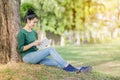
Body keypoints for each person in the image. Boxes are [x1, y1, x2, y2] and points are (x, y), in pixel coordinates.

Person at [17, 9, 92, 73]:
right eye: (34, 22)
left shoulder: (33, 32)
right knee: (51, 49)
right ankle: (68, 68)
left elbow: (35, 48)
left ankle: (78, 69)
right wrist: (33, 43)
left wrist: (40, 45)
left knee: (57, 62)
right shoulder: (22, 32)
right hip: (28, 57)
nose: (35, 24)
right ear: (28, 20)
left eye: (36, 22)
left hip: (36, 55)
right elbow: (20, 49)